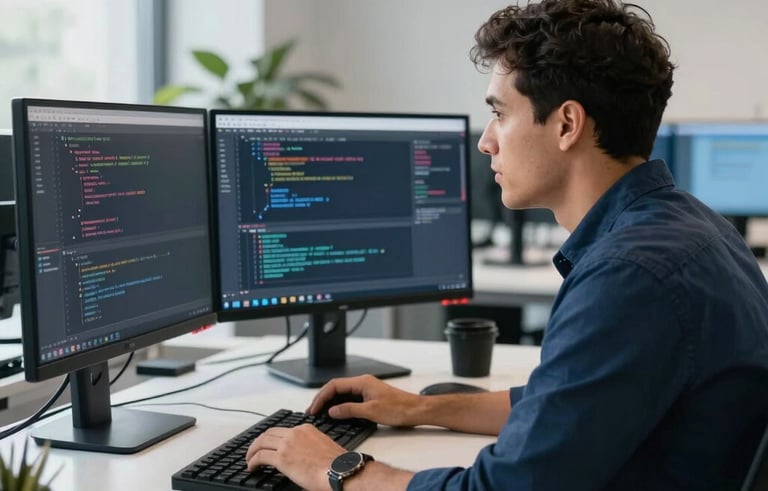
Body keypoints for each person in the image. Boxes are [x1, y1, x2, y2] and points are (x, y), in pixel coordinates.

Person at [245, 0, 768, 489]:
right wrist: (419, 409)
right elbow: (568, 405)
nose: (485, 141)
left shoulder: (628, 275)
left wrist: (338, 468)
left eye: (499, 113)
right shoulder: (694, 227)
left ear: (567, 123)